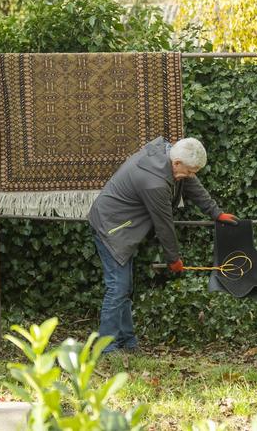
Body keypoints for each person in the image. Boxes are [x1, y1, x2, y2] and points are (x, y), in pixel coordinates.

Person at [87, 136, 238, 353]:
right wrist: (174, 259)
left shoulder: (169, 154)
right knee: (118, 287)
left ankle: (127, 342)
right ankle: (106, 348)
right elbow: (164, 225)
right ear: (177, 164)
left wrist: (216, 212)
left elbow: (191, 184)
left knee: (124, 287)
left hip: (121, 225)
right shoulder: (154, 183)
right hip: (111, 228)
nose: (191, 176)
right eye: (189, 171)